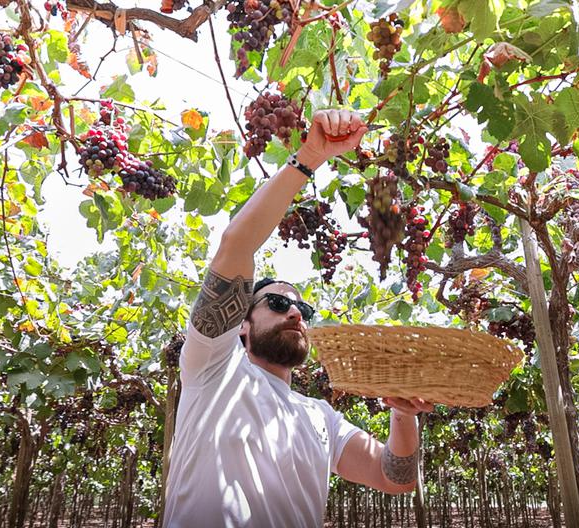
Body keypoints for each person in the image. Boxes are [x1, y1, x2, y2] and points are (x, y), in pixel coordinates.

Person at [163, 109, 435, 528]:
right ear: (242, 325)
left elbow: (393, 478)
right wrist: (309, 156)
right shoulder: (213, 370)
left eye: (302, 310)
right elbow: (236, 244)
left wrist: (404, 415)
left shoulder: (321, 416)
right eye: (275, 304)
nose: (293, 312)